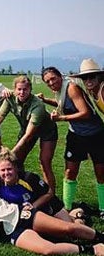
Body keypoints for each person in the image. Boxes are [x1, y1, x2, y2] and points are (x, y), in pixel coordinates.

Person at [0, 166, 104, 256]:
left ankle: (99, 236)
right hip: (8, 232)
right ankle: (92, 249)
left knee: (67, 228)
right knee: (47, 249)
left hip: (20, 215)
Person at [40, 67, 104, 218]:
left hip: (95, 134)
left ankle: (102, 208)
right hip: (76, 135)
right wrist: (45, 100)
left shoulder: (72, 88)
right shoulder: (61, 90)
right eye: (47, 81)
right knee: (70, 171)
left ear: (60, 76)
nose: (51, 83)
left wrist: (61, 119)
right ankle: (67, 207)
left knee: (101, 173)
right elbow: (63, 104)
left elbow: (85, 112)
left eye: (53, 78)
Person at [0, 75, 58, 194]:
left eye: (25, 89)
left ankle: (50, 195)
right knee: (17, 162)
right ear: (14, 90)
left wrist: (11, 153)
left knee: (44, 162)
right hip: (26, 128)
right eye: (19, 89)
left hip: (46, 130)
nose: (22, 92)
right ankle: (17, 191)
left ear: (30, 89)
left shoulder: (38, 105)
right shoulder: (10, 98)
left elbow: (28, 135)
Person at [0, 147, 84, 224]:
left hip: (48, 207)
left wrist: (33, 206)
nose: (6, 173)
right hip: (28, 215)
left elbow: (49, 193)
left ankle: (78, 216)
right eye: (3, 170)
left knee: (70, 228)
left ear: (16, 168)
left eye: (9, 169)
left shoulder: (29, 178)